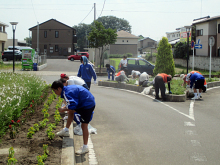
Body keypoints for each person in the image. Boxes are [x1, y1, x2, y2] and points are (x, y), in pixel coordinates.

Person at [51, 80, 95, 155]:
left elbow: (72, 106)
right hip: (85, 101)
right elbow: (71, 104)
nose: (55, 93)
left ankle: (85, 147)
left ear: (59, 89)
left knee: (84, 125)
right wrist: (66, 108)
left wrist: (63, 109)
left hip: (87, 105)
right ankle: (66, 130)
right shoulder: (67, 89)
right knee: (70, 112)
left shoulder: (66, 93)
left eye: (55, 91)